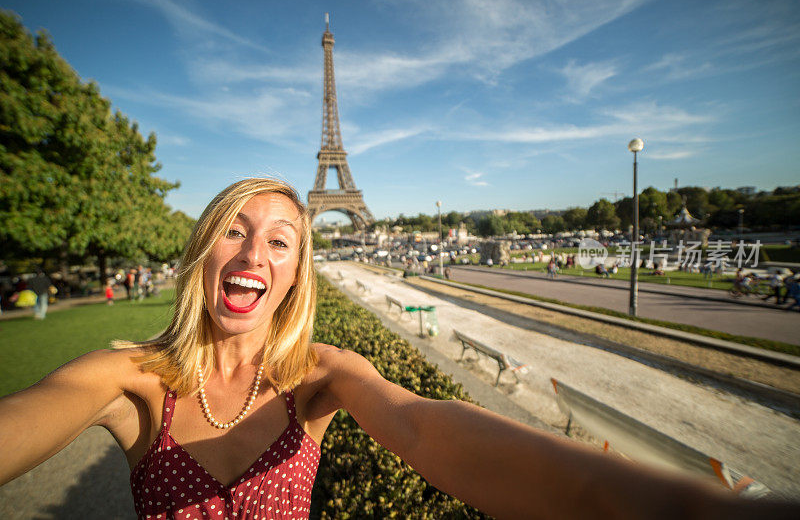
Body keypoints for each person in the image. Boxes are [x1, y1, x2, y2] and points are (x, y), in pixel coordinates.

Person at [0, 178, 796, 520]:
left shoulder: (317, 375)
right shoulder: (127, 378)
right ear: (204, 252)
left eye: (281, 239)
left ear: (295, 273)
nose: (255, 253)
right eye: (233, 232)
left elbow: (420, 425)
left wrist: (678, 505)